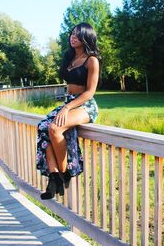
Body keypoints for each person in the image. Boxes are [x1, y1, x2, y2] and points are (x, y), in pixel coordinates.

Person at [36, 23, 100, 200]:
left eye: (78, 35)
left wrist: (67, 107)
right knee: (43, 127)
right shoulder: (69, 57)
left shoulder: (91, 60)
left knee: (55, 129)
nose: (73, 37)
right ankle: (54, 176)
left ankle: (64, 174)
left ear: (86, 37)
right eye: (72, 34)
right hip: (70, 102)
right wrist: (67, 104)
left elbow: (89, 92)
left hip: (85, 105)